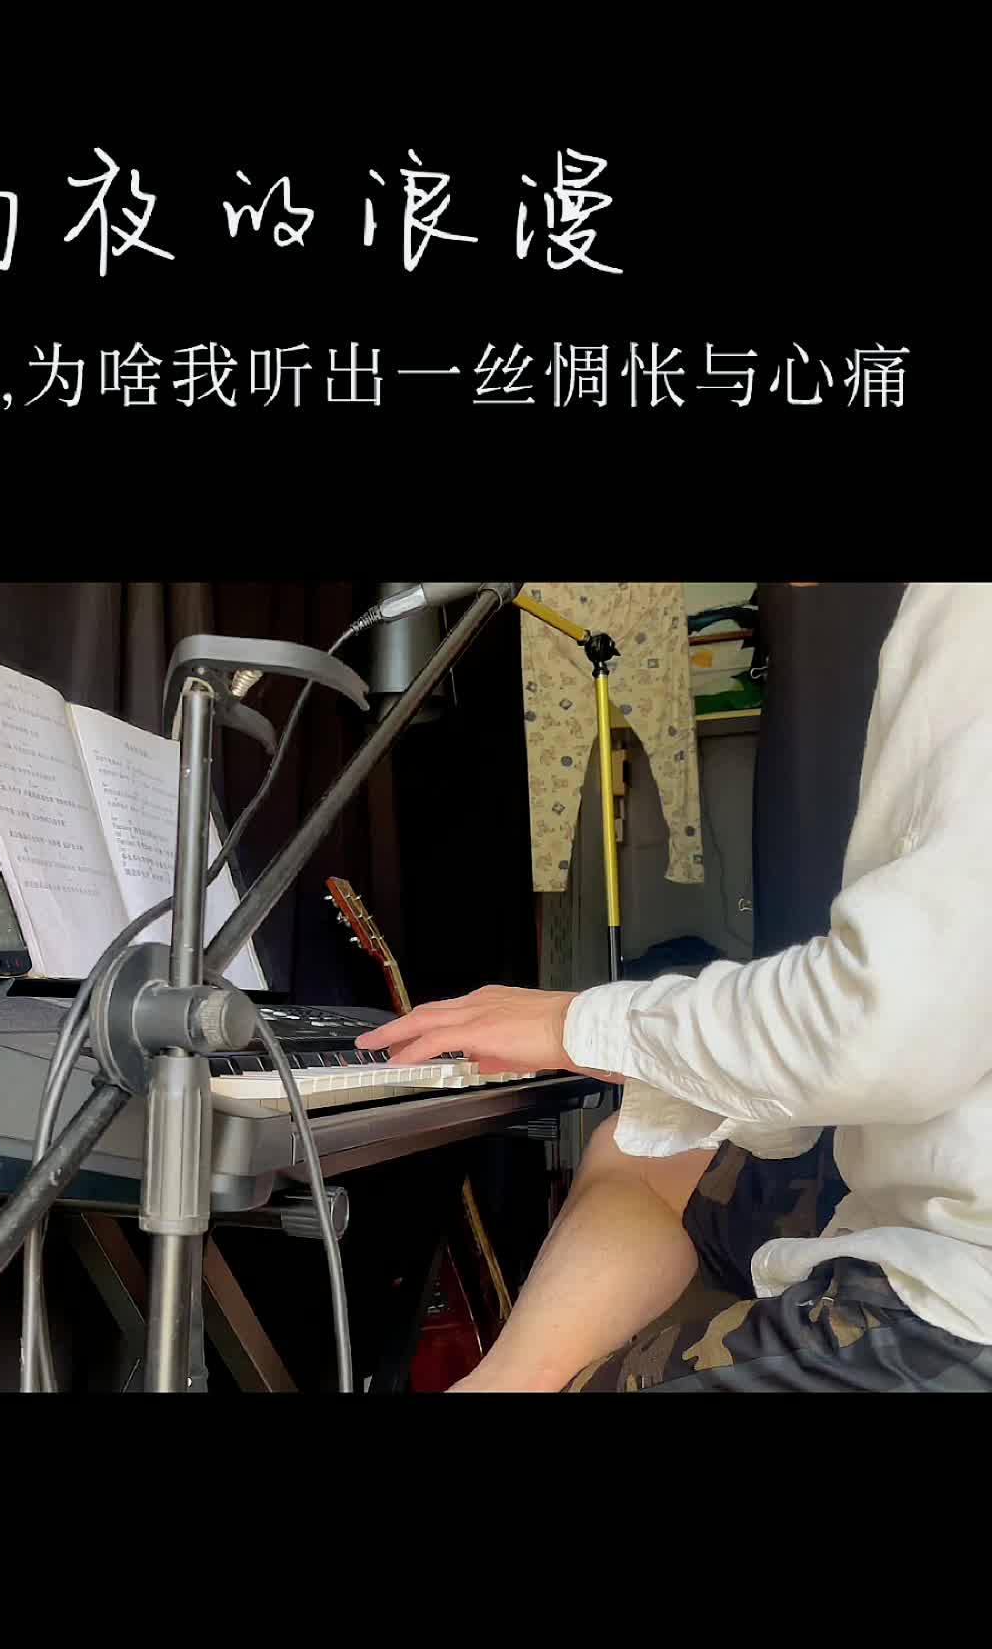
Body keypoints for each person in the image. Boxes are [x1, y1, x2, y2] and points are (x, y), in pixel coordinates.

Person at [356, 581, 992, 1393]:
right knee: (647, 1146)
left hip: (956, 1307)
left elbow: (891, 1024)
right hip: (938, 1174)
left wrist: (571, 1023)